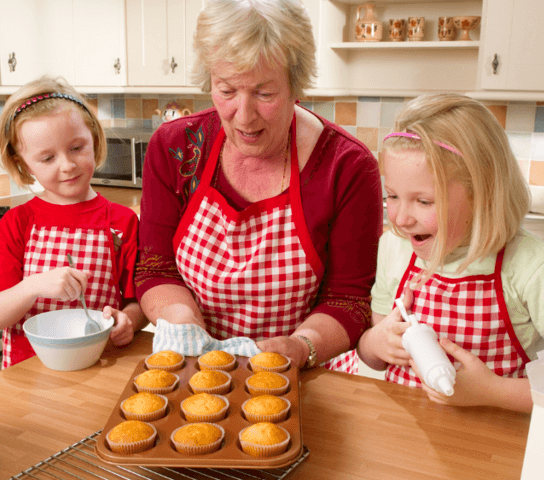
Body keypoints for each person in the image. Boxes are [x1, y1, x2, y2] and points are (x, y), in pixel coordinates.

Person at [135, 0, 383, 369]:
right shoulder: (175, 147)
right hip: (191, 365)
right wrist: (182, 322)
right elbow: (156, 266)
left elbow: (348, 299)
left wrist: (301, 347)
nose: (245, 116)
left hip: (300, 376)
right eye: (227, 90)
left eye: (265, 94)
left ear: (296, 85)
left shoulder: (346, 167)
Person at [352, 93, 544, 412]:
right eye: (393, 196)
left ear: (483, 196)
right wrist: (373, 342)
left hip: (493, 450)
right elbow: (374, 352)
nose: (400, 218)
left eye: (423, 201)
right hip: (405, 444)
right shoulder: (394, 248)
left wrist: (493, 391)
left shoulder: (529, 266)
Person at [0, 77, 146, 368]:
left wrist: (128, 321)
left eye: (77, 148)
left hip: (101, 367)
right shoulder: (18, 223)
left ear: (94, 138)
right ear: (23, 164)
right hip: (29, 377)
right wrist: (34, 285)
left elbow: (138, 303)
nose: (66, 165)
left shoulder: (122, 221)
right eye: (47, 158)